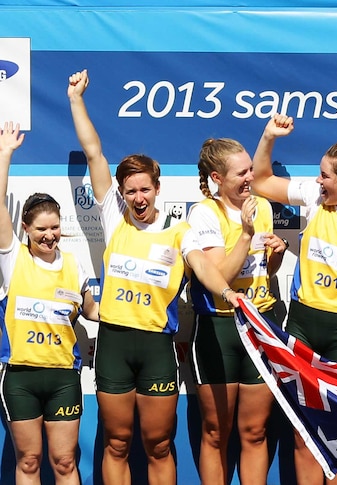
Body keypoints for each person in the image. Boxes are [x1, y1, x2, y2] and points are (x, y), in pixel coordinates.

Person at [68, 69, 243, 485]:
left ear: (157, 188)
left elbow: (201, 265)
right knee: (116, 442)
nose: (138, 198)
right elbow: (94, 153)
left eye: (144, 189)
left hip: (157, 347)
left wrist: (225, 291)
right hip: (112, 342)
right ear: (121, 193)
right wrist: (76, 99)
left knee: (159, 445)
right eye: (130, 191)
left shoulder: (179, 230)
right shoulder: (114, 217)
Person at [251, 115, 337, 485]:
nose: (318, 180)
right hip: (301, 326)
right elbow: (262, 180)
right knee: (304, 432)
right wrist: (269, 136)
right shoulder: (316, 200)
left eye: (325, 176)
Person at [0, 122, 98, 485]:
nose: (50, 235)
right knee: (28, 461)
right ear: (26, 228)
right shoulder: (13, 258)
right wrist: (5, 154)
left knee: (64, 463)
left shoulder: (75, 264)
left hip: (63, 377)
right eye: (41, 229)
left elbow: (91, 311)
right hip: (20, 376)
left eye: (55, 227)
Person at [188, 133, 288, 485]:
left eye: (250, 170)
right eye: (240, 173)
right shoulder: (203, 213)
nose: (250, 178)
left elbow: (264, 271)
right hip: (220, 327)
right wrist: (245, 235)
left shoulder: (262, 206)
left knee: (255, 430)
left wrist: (276, 255)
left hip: (260, 323)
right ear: (217, 178)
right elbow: (220, 277)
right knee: (216, 432)